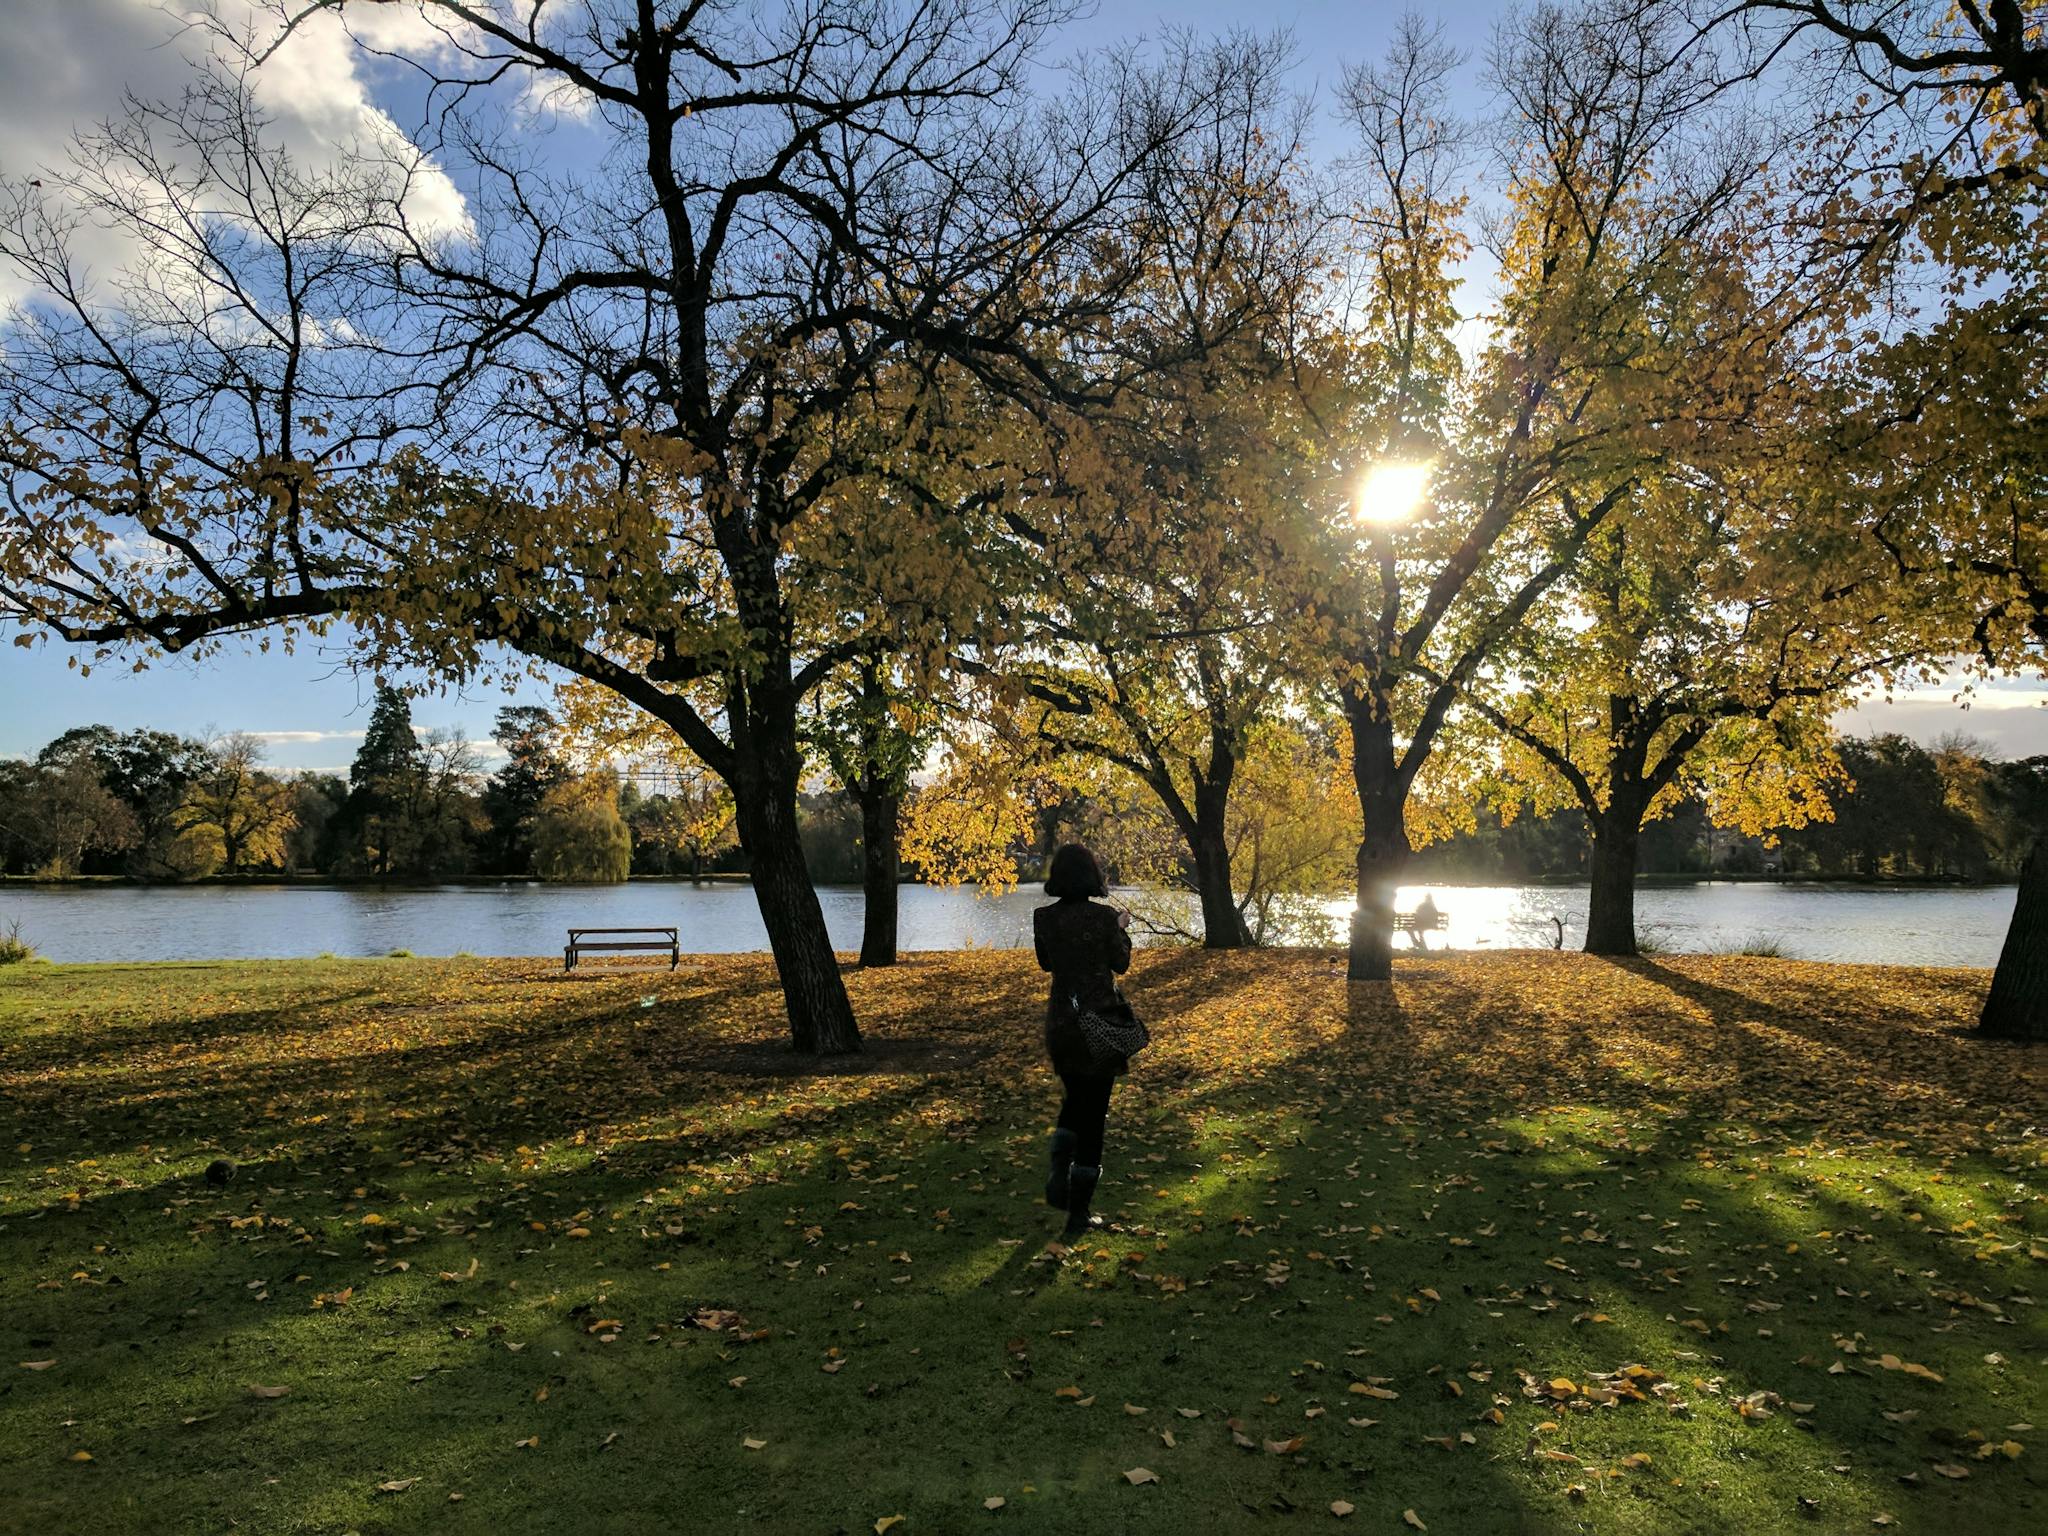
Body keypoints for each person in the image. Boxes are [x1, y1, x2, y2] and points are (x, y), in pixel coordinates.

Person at [1033, 843, 1132, 1237]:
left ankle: (1060, 1167)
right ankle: (1079, 1212)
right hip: (1101, 1022)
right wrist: (1121, 930)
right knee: (1094, 1115)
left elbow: (1046, 963)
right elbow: (1120, 963)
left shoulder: (1043, 918)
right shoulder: (1106, 919)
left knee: (1074, 1099)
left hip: (1062, 1023)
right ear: (1092, 876)